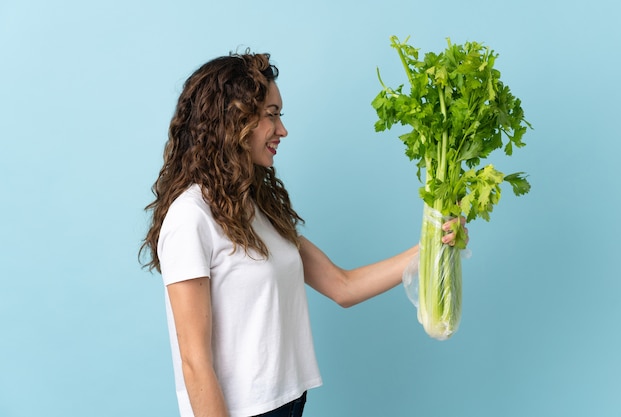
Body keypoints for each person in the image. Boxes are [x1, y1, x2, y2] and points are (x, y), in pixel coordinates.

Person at [140, 50, 467, 417]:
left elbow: (342, 286)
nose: (282, 130)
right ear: (233, 120)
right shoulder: (190, 218)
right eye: (272, 115)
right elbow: (194, 363)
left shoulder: (256, 208)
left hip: (290, 403)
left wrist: (431, 248)